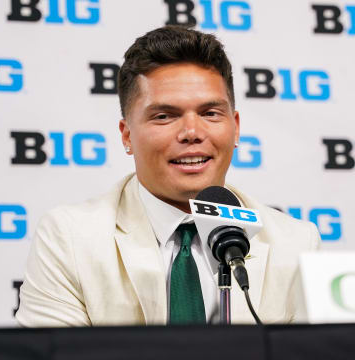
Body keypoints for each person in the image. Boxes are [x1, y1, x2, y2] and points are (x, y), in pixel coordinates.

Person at [16, 25, 320, 327]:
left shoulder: (295, 243)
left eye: (210, 113)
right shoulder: (69, 238)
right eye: (164, 116)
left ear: (235, 127)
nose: (192, 133)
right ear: (126, 136)